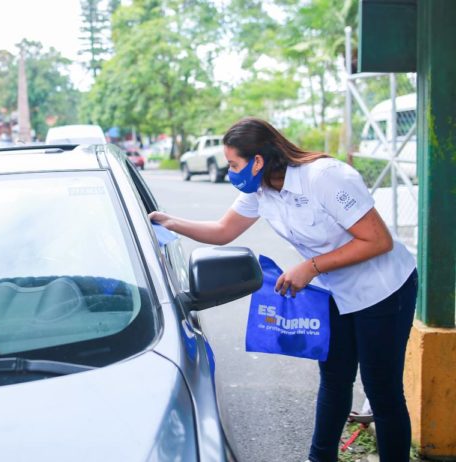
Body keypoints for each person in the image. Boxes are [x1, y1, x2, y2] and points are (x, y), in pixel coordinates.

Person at [149, 117, 417, 462]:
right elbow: (222, 230)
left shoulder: (323, 177)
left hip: (383, 290)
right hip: (335, 292)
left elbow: (378, 240)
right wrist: (170, 223)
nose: (230, 172)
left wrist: (311, 266)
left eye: (234, 164)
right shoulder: (260, 191)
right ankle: (319, 458)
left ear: (257, 160)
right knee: (335, 379)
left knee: (382, 390)